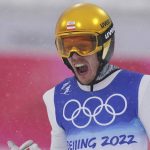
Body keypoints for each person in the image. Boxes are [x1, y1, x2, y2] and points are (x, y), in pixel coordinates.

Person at [9, 2, 150, 150]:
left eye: (83, 46)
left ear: (105, 44)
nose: (74, 56)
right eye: (67, 47)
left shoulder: (141, 87)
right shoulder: (55, 98)